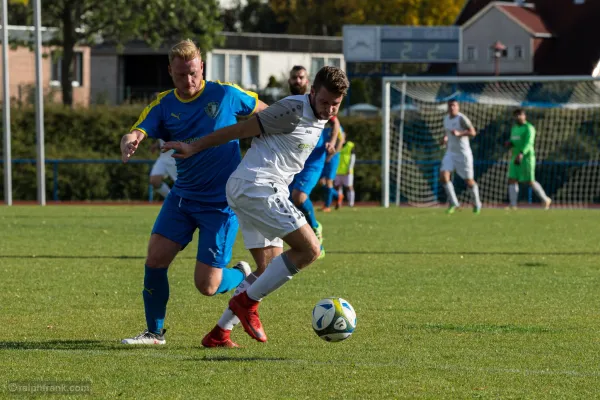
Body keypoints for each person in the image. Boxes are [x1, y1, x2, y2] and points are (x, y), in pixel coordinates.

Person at [163, 66, 350, 345]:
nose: (329, 109)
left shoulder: (322, 116)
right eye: (324, 102)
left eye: (335, 104)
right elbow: (238, 130)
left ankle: (220, 332)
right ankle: (247, 304)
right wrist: (194, 147)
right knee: (310, 249)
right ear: (312, 92)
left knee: (269, 269)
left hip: (253, 189)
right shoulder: (291, 111)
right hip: (257, 187)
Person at [119, 39, 267, 345]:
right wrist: (130, 138)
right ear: (170, 72)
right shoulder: (164, 104)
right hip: (183, 198)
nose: (188, 81)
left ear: (202, 67)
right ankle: (154, 333)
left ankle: (239, 274)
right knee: (155, 259)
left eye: (193, 73)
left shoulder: (224, 93)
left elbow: (267, 114)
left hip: (221, 205)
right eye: (180, 75)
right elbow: (139, 127)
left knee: (207, 286)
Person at [439, 99, 482, 214]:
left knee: (469, 181)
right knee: (443, 176)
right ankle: (454, 203)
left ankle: (477, 204)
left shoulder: (461, 118)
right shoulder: (446, 119)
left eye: (454, 105)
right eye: (450, 106)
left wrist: (460, 134)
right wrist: (445, 139)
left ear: (458, 107)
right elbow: (447, 134)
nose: (452, 108)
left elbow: (473, 132)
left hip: (463, 154)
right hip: (450, 153)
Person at [506, 109, 551, 210]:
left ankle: (545, 199)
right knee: (512, 179)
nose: (518, 117)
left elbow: (529, 143)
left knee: (530, 181)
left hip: (526, 158)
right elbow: (514, 140)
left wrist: (521, 154)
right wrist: (510, 143)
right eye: (516, 115)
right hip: (515, 156)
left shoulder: (529, 128)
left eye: (520, 115)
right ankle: (513, 205)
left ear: (524, 116)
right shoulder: (514, 128)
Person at [319, 117, 345, 212]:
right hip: (322, 157)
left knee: (329, 181)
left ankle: (327, 206)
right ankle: (338, 195)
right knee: (322, 182)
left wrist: (331, 155)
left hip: (332, 158)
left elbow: (341, 141)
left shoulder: (337, 127)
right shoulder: (323, 126)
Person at [334, 138, 356, 208]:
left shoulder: (350, 146)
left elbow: (353, 158)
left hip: (347, 171)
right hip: (337, 170)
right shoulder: (335, 145)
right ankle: (339, 202)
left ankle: (351, 203)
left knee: (349, 187)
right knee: (337, 187)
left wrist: (350, 168)